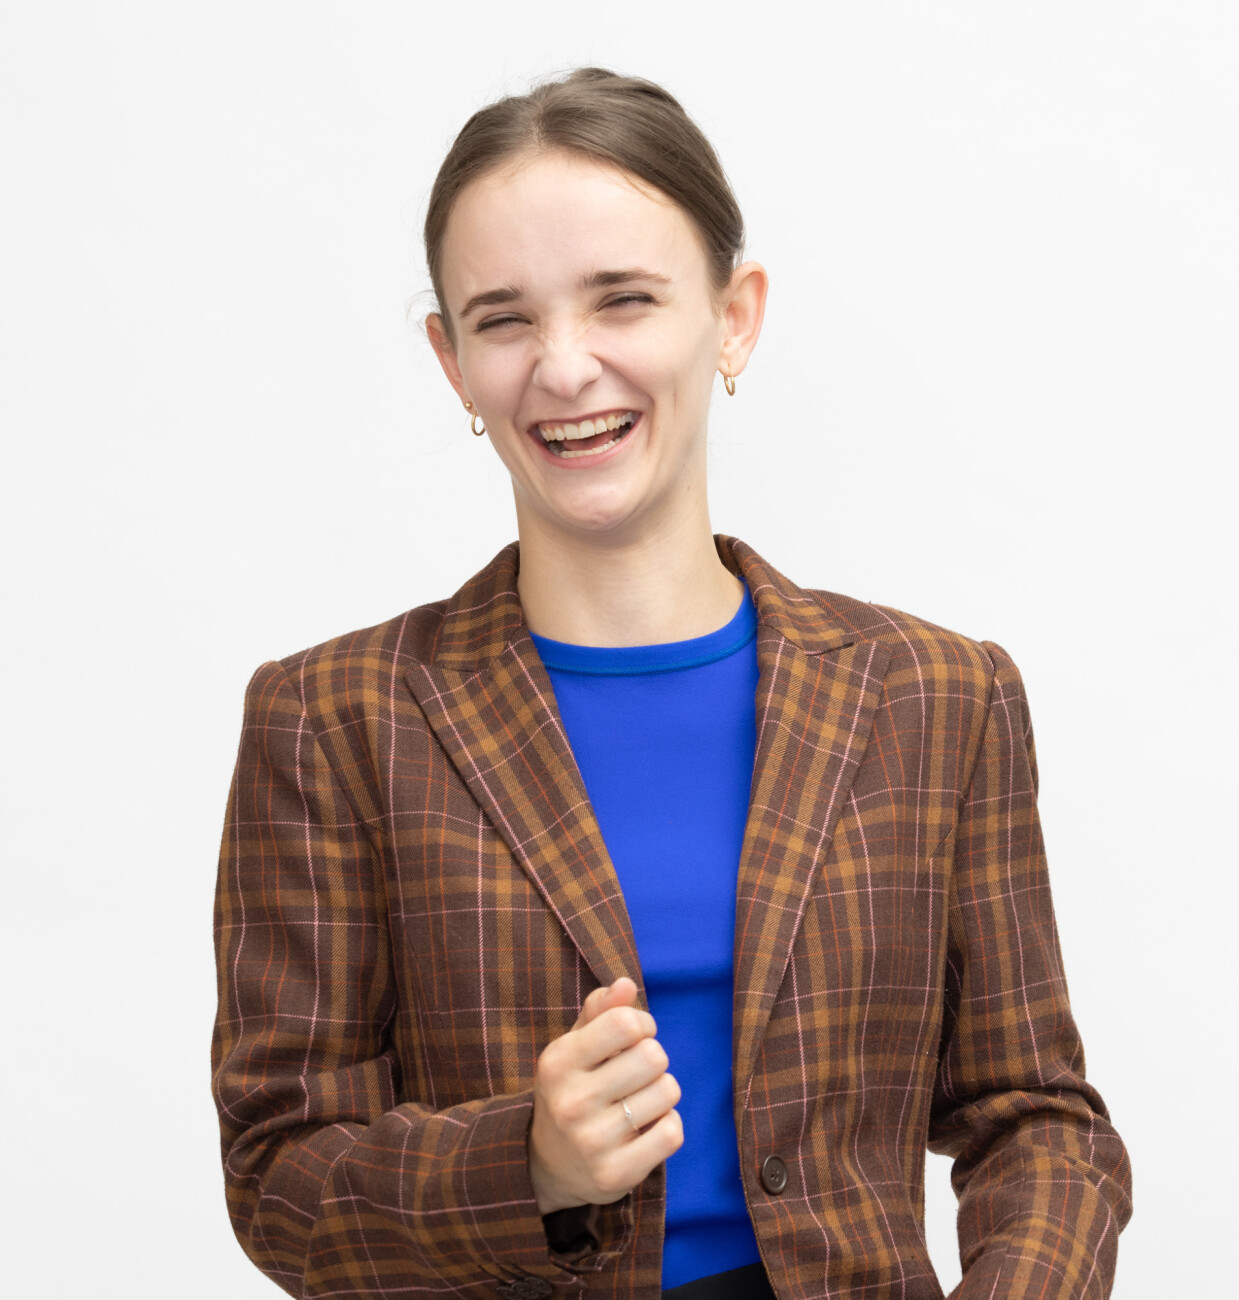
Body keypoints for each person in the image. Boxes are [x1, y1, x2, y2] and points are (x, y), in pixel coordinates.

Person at [211, 68, 1132, 1300]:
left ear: (732, 317)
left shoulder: (935, 697)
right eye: (503, 320)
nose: (564, 367)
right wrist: (524, 1163)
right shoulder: (333, 721)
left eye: (623, 300)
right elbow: (277, 1177)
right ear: (452, 361)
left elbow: (1038, 1119)